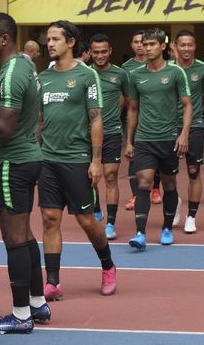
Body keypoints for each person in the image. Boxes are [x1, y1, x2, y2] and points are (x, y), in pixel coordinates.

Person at [0, 12, 51, 334]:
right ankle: (37, 303)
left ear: (4, 38)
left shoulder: (11, 74)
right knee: (26, 235)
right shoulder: (24, 64)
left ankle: (21, 314)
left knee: (14, 239)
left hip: (12, 162)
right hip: (27, 158)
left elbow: (3, 128)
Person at [38, 20, 117, 301]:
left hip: (76, 159)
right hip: (47, 159)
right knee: (49, 219)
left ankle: (108, 266)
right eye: (48, 39)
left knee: (86, 220)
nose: (50, 44)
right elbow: (39, 120)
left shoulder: (86, 76)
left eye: (56, 39)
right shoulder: (42, 78)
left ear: (71, 42)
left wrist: (96, 160)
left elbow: (96, 120)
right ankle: (53, 282)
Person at [124, 28, 192, 251]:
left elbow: (187, 105)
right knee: (143, 182)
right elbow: (132, 110)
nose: (147, 48)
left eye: (153, 44)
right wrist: (129, 141)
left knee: (169, 184)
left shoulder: (175, 73)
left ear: (163, 46)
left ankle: (166, 228)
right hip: (144, 139)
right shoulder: (136, 75)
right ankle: (140, 233)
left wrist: (184, 134)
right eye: (145, 44)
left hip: (169, 139)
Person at [88, 32, 134, 239]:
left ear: (110, 51)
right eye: (96, 52)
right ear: (89, 52)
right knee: (90, 178)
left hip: (113, 132)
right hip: (86, 135)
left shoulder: (120, 74)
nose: (100, 55)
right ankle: (96, 207)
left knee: (110, 176)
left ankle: (111, 223)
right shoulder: (84, 74)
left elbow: (130, 103)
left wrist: (130, 138)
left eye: (104, 51)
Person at [172, 29, 204, 233]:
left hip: (195, 126)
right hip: (169, 127)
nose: (186, 49)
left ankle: (191, 216)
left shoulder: (203, 69)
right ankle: (173, 203)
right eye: (182, 45)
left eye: (190, 45)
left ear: (195, 46)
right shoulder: (169, 69)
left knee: (194, 171)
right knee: (168, 174)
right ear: (175, 46)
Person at [121, 30, 160, 210]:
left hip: (156, 119)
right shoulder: (126, 68)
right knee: (133, 155)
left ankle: (155, 189)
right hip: (135, 117)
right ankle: (136, 195)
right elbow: (124, 95)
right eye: (136, 42)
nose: (139, 45)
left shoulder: (160, 66)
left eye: (142, 42)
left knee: (157, 155)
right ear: (132, 45)